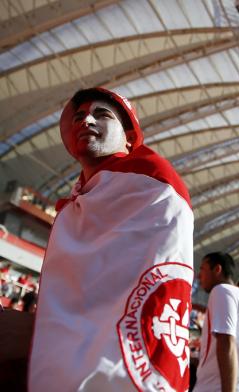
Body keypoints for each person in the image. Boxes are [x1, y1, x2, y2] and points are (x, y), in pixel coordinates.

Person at [28, 87, 194, 392]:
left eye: (101, 114)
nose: (85, 121)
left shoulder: (153, 186)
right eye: (79, 116)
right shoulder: (79, 203)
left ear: (129, 138)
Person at [193, 252, 239, 392]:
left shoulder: (222, 291)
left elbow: (226, 340)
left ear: (217, 269)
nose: (198, 276)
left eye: (202, 269)